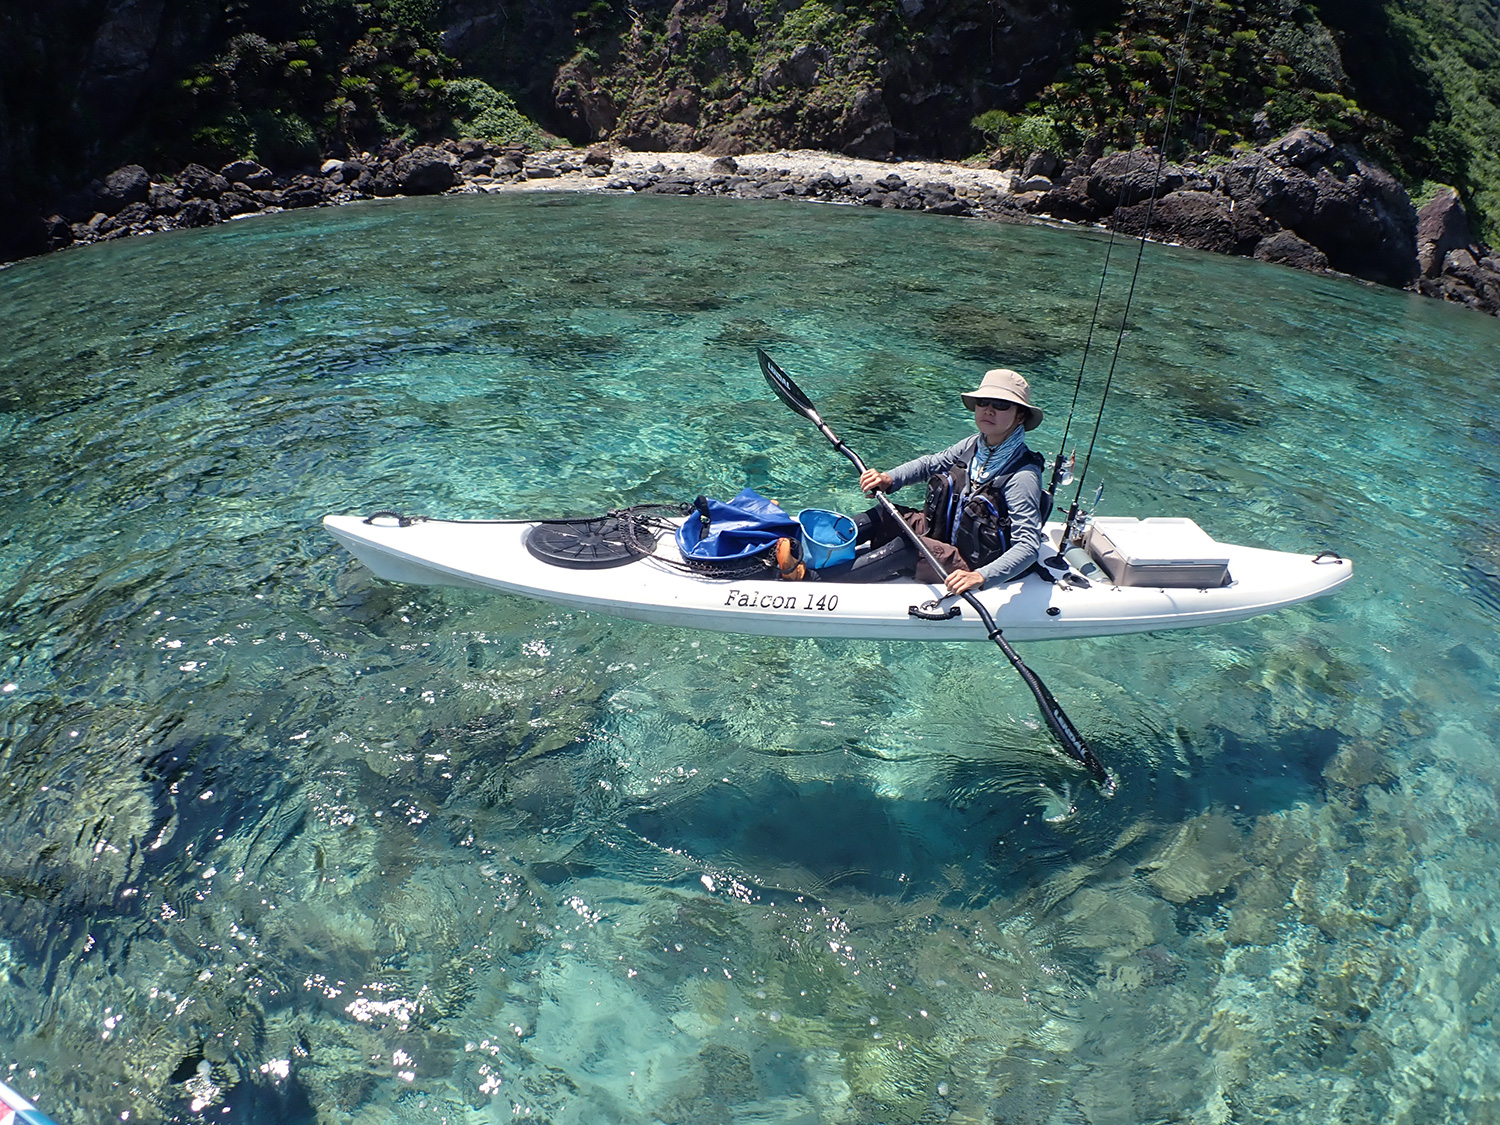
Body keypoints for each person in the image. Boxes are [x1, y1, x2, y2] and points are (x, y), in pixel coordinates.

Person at [779, 367, 1047, 592]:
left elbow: (1028, 546)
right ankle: (799, 549)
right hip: (942, 534)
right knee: (886, 513)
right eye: (983, 402)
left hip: (970, 563)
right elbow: (929, 464)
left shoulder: (1022, 477)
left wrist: (981, 577)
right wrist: (889, 479)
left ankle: (812, 580)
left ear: (1020, 415)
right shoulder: (974, 445)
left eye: (1001, 405)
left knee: (909, 546)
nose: (988, 410)